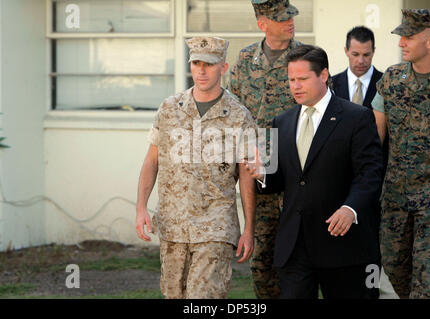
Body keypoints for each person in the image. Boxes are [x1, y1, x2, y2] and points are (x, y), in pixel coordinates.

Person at [246, 44, 384, 299]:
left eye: (302, 79)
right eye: (291, 80)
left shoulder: (357, 117)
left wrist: (350, 208)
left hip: (344, 247)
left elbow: (370, 173)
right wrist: (263, 174)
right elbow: (283, 180)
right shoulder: (281, 122)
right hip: (295, 248)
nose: (295, 86)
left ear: (323, 76)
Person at [135, 36, 257, 299]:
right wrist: (141, 207)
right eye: (196, 63)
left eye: (210, 64)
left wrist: (248, 228)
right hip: (173, 225)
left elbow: (247, 175)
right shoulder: (169, 109)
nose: (202, 70)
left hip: (216, 226)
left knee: (203, 299)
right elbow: (152, 161)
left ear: (223, 68)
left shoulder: (239, 116)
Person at [372, 9, 430, 299]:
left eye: (408, 37)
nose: (401, 43)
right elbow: (374, 136)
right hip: (395, 198)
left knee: (428, 283)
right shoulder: (391, 80)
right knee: (392, 278)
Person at [229, 0, 302, 299]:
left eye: (290, 17)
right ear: (263, 24)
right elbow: (232, 111)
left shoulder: (304, 58)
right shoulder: (245, 60)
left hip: (294, 174)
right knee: (261, 262)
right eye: (282, 18)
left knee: (296, 258)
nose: (290, 22)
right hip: (255, 174)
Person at [331, 26, 386, 277]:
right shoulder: (331, 85)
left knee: (371, 250)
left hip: (375, 182)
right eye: (355, 54)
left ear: (374, 52)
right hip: (337, 181)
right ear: (346, 52)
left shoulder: (387, 85)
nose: (361, 61)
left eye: (366, 54)